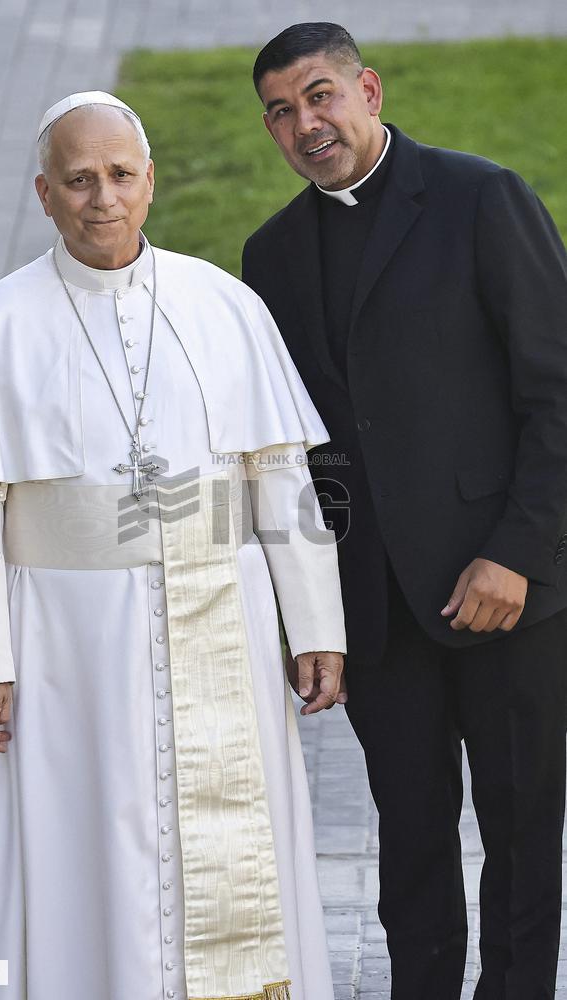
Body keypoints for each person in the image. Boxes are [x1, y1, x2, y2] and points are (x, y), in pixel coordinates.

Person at [0, 91, 348, 1000]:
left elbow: (283, 483)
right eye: (78, 180)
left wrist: (317, 627)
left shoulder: (226, 306)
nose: (101, 198)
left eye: (118, 175)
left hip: (223, 614)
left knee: (242, 842)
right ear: (43, 194)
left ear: (149, 181)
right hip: (72, 645)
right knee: (88, 838)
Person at [242, 22, 567, 1000]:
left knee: (519, 833)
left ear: (368, 88)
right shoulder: (274, 255)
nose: (306, 124)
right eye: (281, 111)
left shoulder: (481, 197)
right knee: (412, 839)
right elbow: (291, 456)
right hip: (375, 612)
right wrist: (312, 617)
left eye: (320, 95)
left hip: (505, 594)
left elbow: (555, 392)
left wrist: (517, 551)